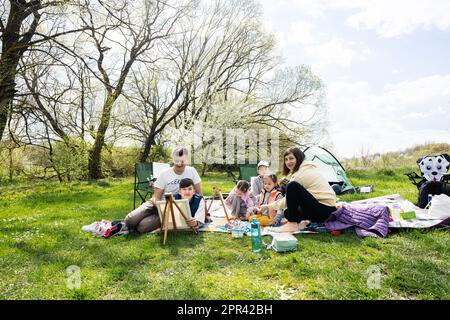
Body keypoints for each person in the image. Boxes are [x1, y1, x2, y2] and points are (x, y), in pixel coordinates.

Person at [256, 147, 337, 232]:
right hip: (326, 209)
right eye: (286, 159)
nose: (288, 162)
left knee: (292, 186)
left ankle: (292, 224)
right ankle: (305, 222)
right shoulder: (304, 169)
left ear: (298, 158)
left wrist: (268, 206)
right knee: (287, 212)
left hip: (325, 210)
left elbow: (286, 200)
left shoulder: (300, 174)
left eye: (291, 158)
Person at [124, 147, 202, 233]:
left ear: (187, 160)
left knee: (142, 227)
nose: (179, 163)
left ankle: (152, 220)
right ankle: (143, 218)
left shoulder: (192, 171)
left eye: (182, 161)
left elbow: (199, 195)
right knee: (129, 220)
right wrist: (159, 207)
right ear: (172, 159)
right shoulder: (165, 173)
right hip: (157, 204)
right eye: (177, 161)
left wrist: (203, 215)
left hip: (172, 209)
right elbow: (156, 197)